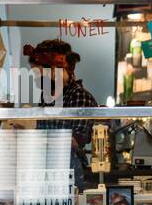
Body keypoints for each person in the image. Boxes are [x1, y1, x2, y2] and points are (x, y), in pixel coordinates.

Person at [24, 39, 98, 187]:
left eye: (40, 74)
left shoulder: (79, 96)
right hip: (48, 173)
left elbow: (77, 141)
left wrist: (33, 138)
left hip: (70, 175)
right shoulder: (47, 97)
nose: (37, 79)